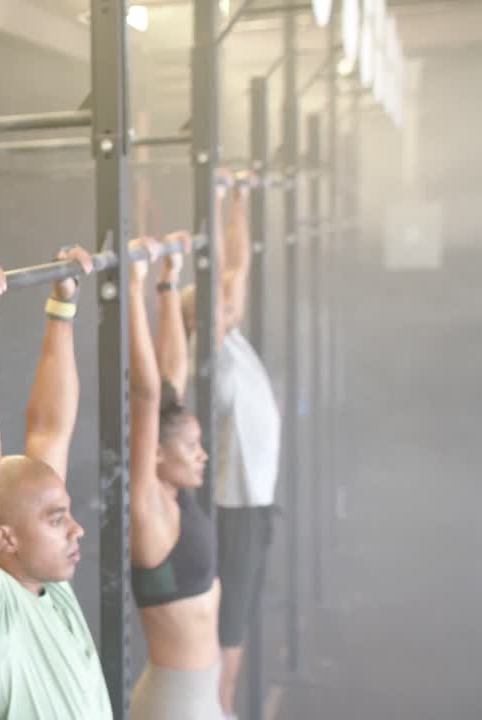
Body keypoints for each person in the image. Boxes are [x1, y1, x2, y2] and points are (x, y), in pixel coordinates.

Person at [0, 250, 113, 720]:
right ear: (5, 537)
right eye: (57, 520)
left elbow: (50, 431)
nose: (77, 531)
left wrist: (63, 308)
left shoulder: (49, 583)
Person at [181, 177, 281, 717]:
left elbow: (237, 272)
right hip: (233, 513)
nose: (231, 301)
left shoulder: (230, 336)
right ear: (203, 318)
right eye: (219, 302)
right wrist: (212, 196)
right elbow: (222, 273)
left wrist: (239, 199)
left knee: (235, 639)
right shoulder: (208, 350)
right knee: (226, 649)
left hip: (253, 509)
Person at [126, 233, 223, 720]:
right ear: (156, 453)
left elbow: (170, 374)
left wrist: (168, 285)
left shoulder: (177, 495)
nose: (202, 456)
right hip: (173, 707)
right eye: (191, 448)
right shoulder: (150, 509)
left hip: (203, 696)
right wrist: (131, 288)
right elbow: (146, 394)